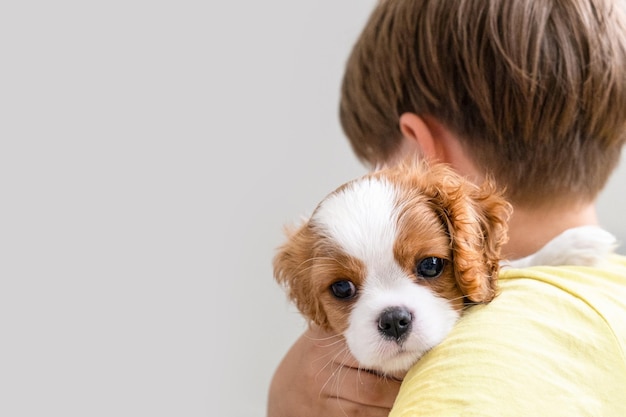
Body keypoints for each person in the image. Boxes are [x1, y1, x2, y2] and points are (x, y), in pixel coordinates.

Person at [268, 0, 626, 416]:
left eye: (430, 267)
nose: (393, 315)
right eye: (344, 290)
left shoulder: (465, 371)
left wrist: (285, 406)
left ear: (425, 153)